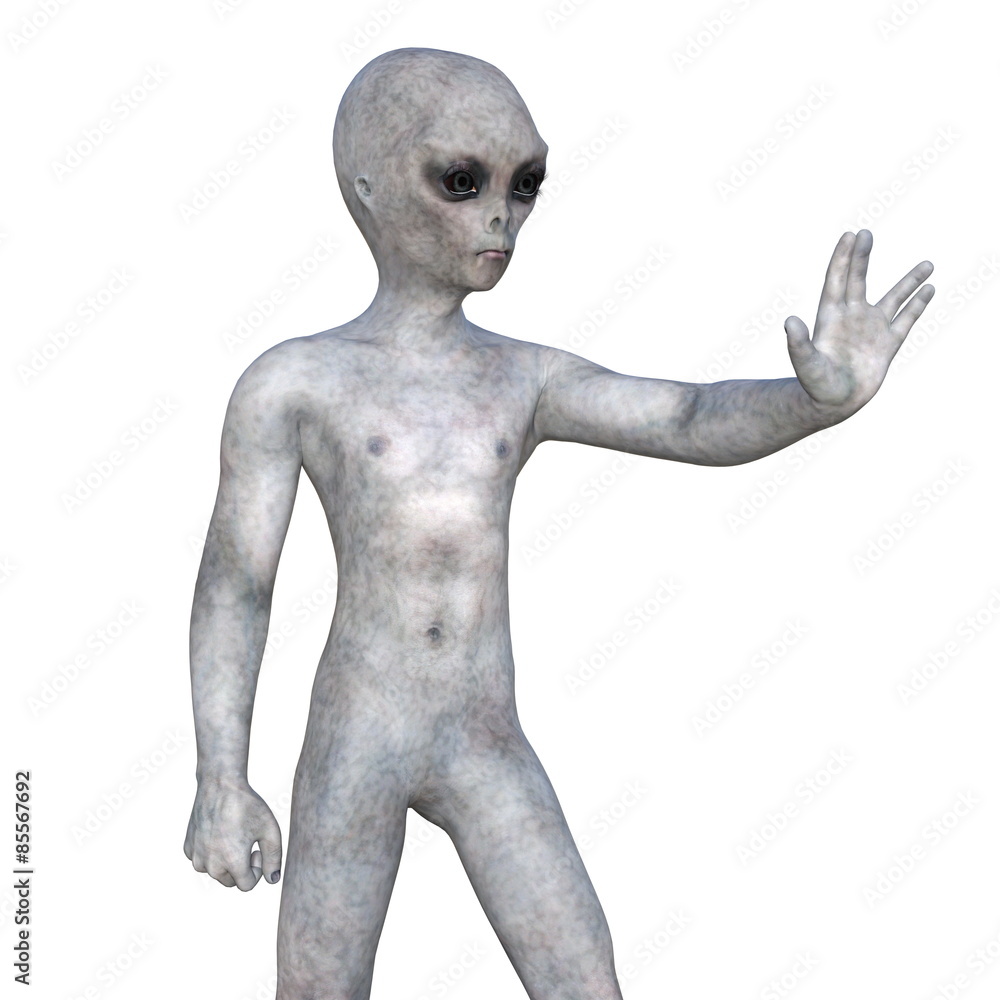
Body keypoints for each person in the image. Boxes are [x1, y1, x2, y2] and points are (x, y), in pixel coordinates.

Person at [183, 47, 935, 1000]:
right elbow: (238, 580)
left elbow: (684, 416)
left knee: (585, 982)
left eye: (524, 184)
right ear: (368, 185)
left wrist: (811, 403)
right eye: (462, 181)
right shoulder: (296, 381)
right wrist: (220, 776)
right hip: (360, 732)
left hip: (482, 732)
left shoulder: (521, 377)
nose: (501, 215)